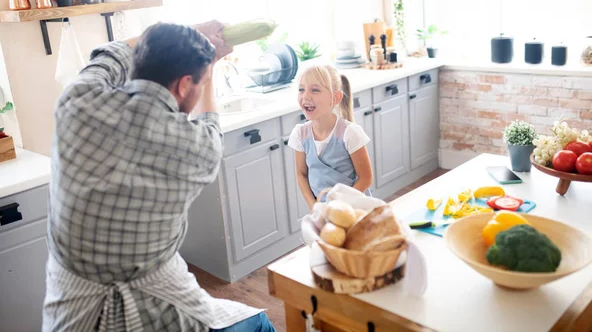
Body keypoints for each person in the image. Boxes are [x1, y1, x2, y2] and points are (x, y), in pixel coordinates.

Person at [43, 21, 276, 331]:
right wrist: (210, 67)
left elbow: (113, 53)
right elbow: (210, 123)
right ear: (183, 85)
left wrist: (187, 30)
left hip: (70, 311)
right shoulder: (198, 148)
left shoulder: (76, 102)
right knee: (258, 323)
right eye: (200, 81)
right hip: (156, 307)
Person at [287, 64, 373, 210]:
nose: (306, 96)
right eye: (301, 89)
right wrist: (314, 207)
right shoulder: (300, 134)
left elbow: (366, 178)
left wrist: (342, 207)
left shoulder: (349, 133)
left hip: (354, 208)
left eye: (315, 90)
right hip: (324, 211)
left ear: (335, 98)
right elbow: (301, 174)